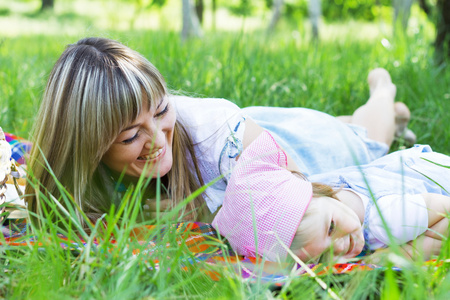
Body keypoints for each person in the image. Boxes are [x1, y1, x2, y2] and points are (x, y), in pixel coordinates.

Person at [25, 37, 414, 227]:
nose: (158, 141)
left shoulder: (215, 134)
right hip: (252, 132)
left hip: (293, 155)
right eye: (130, 137)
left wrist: (203, 212)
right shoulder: (69, 174)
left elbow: (306, 200)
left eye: (162, 110)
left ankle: (383, 91)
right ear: (88, 146)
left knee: (367, 141)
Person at [212, 130, 450, 263]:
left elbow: (446, 210)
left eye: (331, 228)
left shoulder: (386, 220)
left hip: (437, 177)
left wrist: (401, 255)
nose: (340, 245)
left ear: (319, 192)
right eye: (322, 257)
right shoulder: (320, 204)